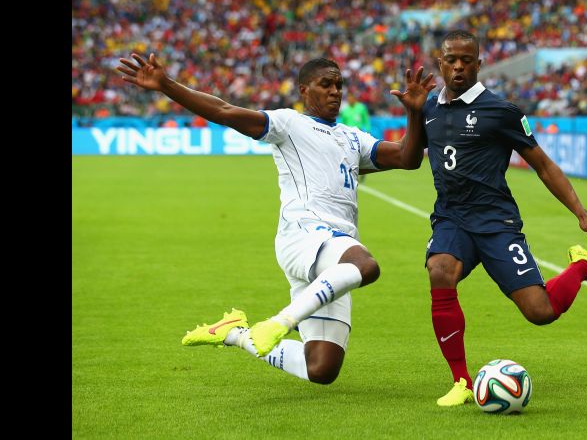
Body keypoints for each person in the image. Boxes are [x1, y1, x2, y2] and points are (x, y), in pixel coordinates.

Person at [116, 53, 435, 384]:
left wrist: (414, 113)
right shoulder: (288, 123)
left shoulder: (352, 137)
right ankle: (281, 321)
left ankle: (236, 333)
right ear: (303, 90)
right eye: (325, 84)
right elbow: (224, 111)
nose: (335, 91)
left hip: (332, 255)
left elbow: (407, 158)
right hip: (304, 236)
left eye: (339, 85)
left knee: (321, 369)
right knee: (366, 265)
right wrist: (166, 84)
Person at [416, 30, 587, 406]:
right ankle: (461, 381)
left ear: (479, 64)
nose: (458, 66)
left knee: (540, 312)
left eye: (466, 60)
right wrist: (414, 111)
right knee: (440, 270)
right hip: (451, 219)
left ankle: (583, 267)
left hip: (496, 223)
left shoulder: (501, 111)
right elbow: (411, 155)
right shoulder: (428, 107)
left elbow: (542, 165)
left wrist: (581, 213)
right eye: (451, 59)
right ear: (440, 63)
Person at [339, 92, 372, 182]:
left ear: (354, 98)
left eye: (351, 98)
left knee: (361, 155)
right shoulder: (345, 110)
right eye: (348, 99)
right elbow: (342, 123)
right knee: (348, 155)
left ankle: (363, 173)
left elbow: (366, 119)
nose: (350, 100)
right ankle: (350, 173)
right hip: (347, 136)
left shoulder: (361, 108)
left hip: (359, 134)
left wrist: (368, 130)